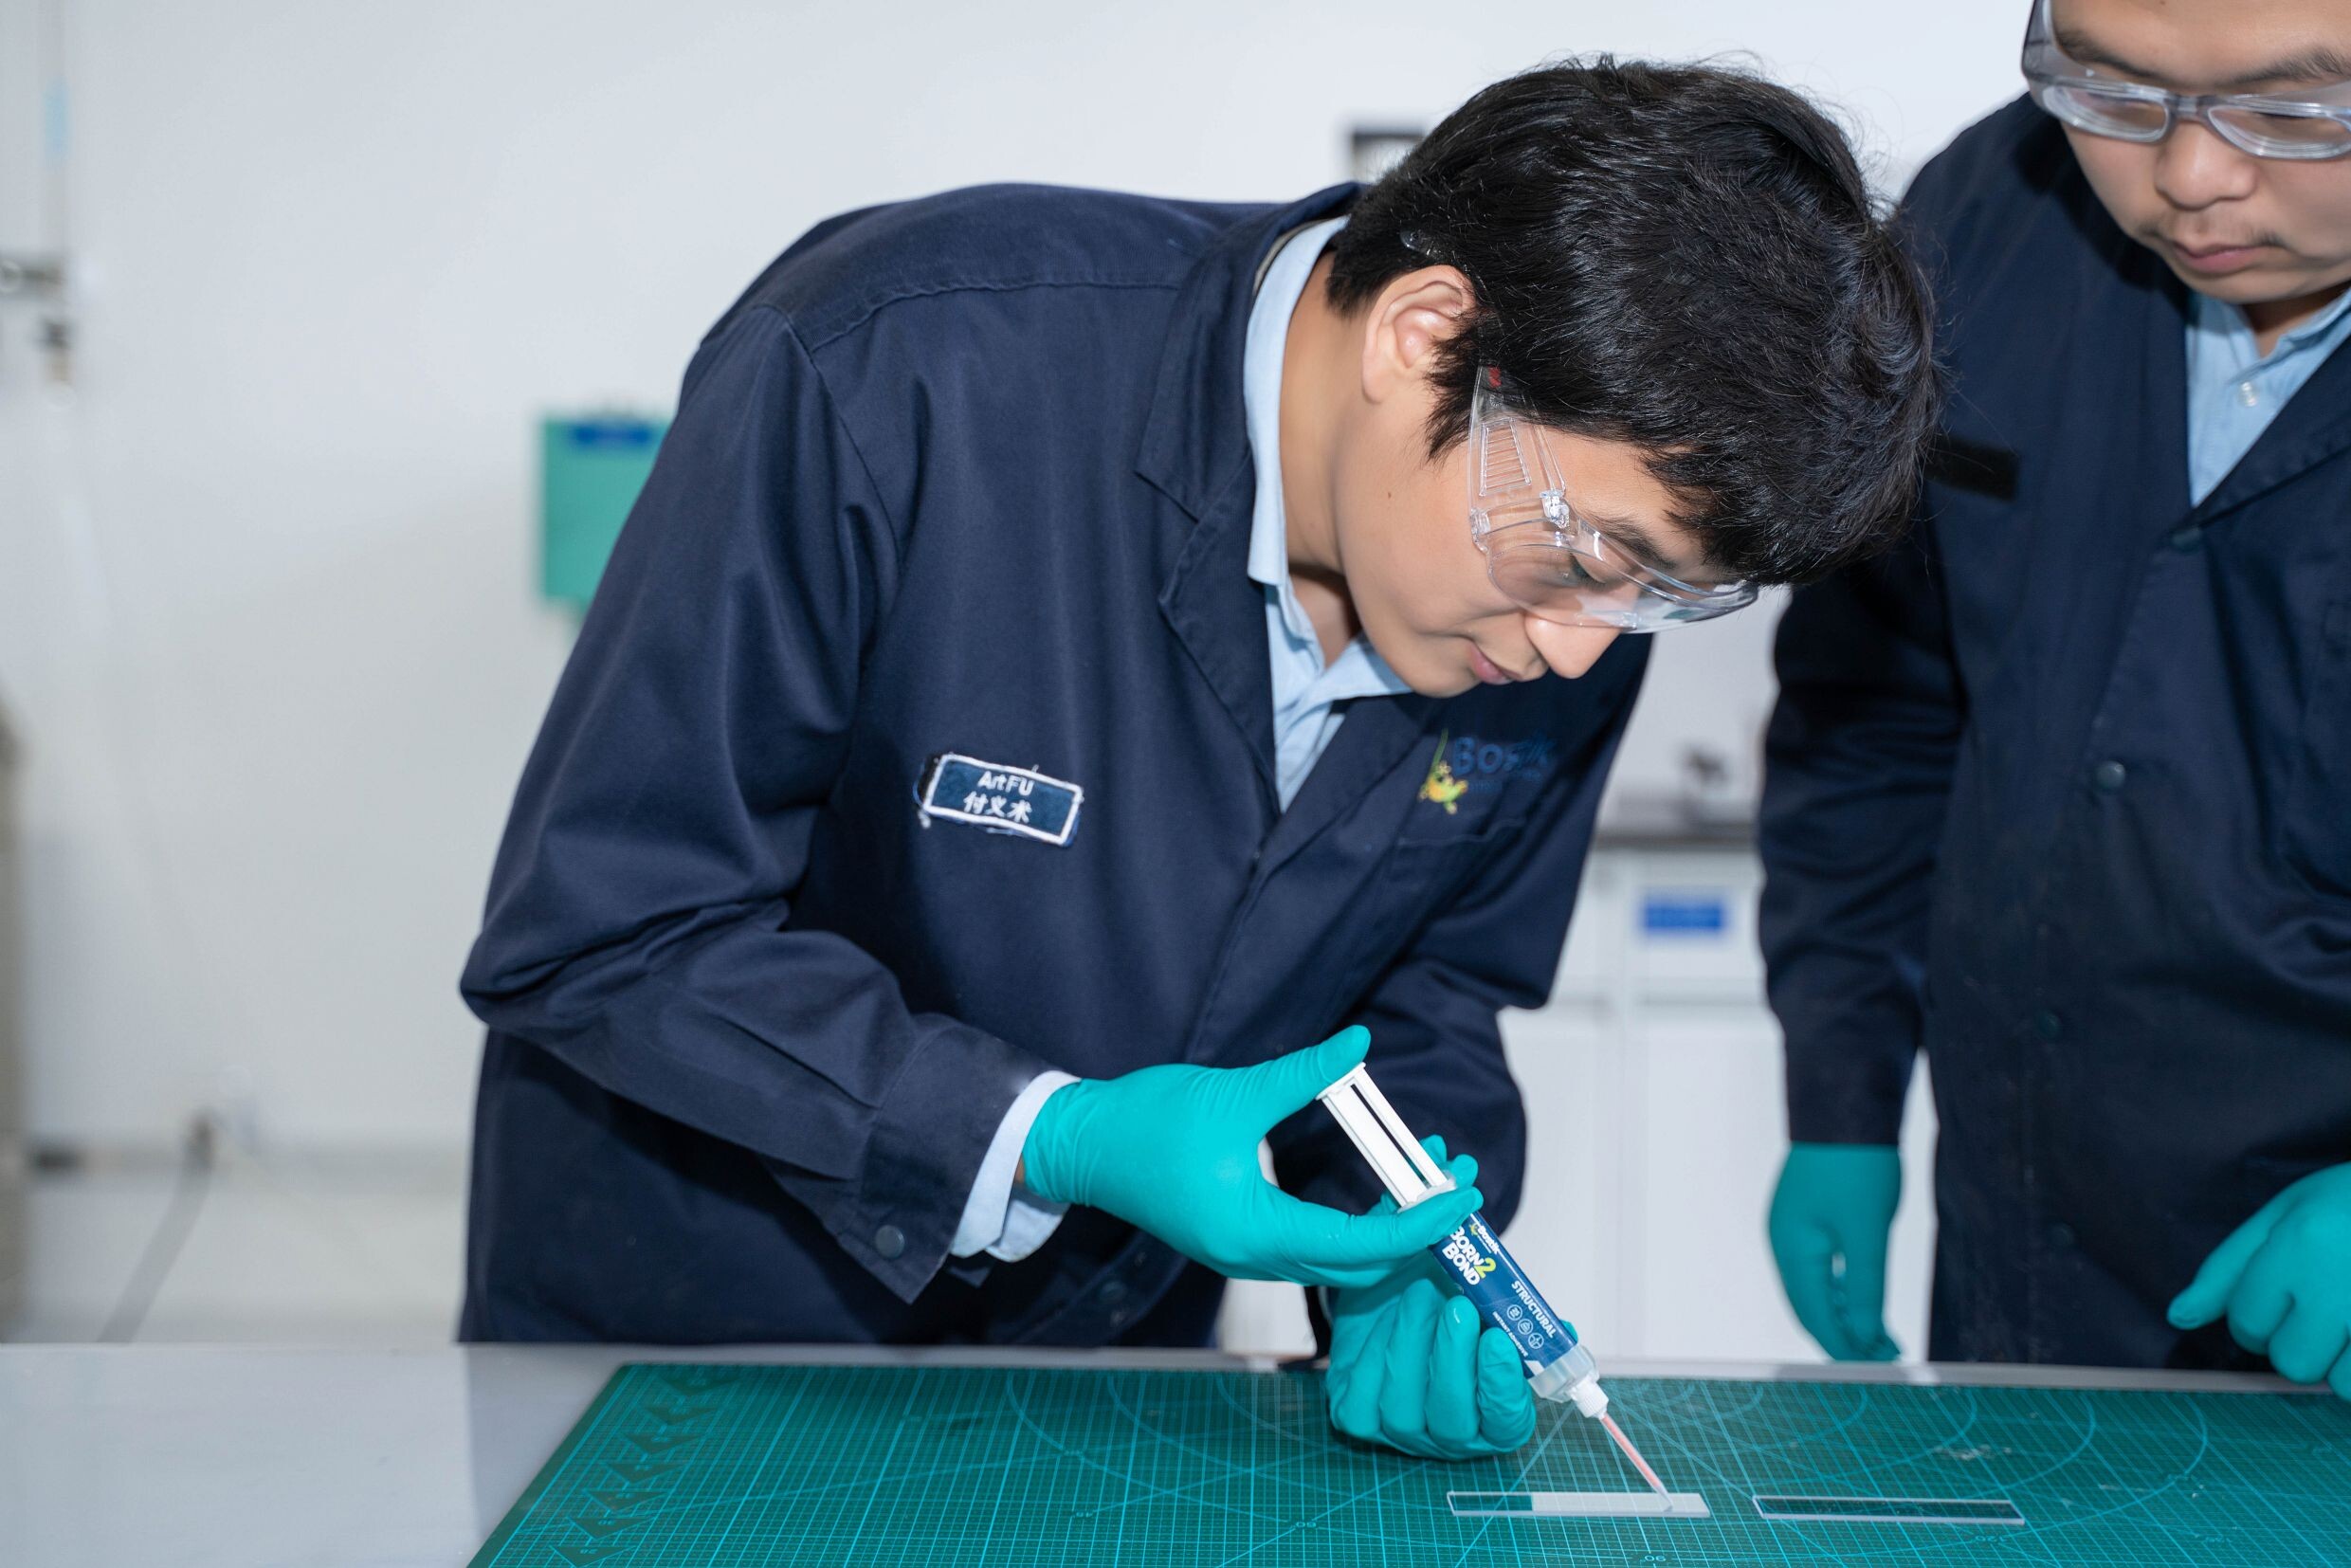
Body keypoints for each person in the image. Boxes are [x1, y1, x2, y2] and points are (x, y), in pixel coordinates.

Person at [461, 59, 1938, 1459]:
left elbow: (1430, 994)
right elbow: (606, 930)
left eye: (1664, 596)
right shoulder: (899, 370)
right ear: (1427, 338)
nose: (1582, 649)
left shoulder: (1543, 612)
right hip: (691, 1373)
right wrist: (1049, 1134)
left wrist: (1396, 1241)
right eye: (1594, 556)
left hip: (1109, 1390)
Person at [1762, 0, 2351, 1400]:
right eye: (2117, 92)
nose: (2193, 176)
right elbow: (1877, 705)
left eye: (2295, 109)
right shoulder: (1990, 217)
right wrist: (1843, 1084)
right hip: (2035, 1266)